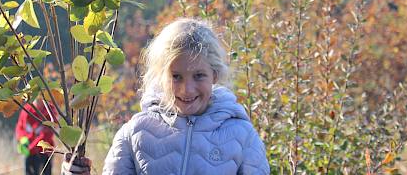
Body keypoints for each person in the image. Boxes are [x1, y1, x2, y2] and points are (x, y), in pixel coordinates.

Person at [63, 18, 269, 175]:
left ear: (214, 75)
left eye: (199, 76)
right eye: (176, 76)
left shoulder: (242, 136)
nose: (187, 89)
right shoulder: (135, 133)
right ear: (161, 76)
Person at [16, 97, 57, 175]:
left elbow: (47, 134)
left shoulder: (50, 111)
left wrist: (32, 147)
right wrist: (23, 142)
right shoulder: (26, 109)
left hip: (44, 151)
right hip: (29, 152)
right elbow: (20, 128)